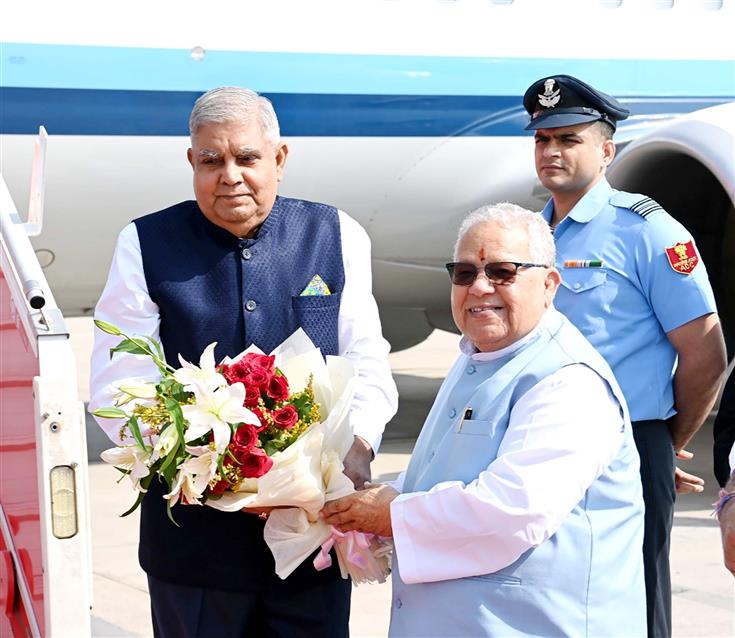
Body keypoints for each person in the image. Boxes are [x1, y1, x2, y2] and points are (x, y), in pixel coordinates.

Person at [89, 86, 398, 638]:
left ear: (279, 159)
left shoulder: (336, 235)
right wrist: (206, 465)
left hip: (312, 539)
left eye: (247, 158)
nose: (229, 175)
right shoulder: (144, 243)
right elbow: (118, 387)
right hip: (194, 549)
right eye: (211, 160)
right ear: (192, 163)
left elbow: (367, 358)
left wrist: (359, 444)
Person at [323, 203, 647, 637]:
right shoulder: (481, 357)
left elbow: (514, 508)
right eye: (464, 273)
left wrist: (392, 514)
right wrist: (367, 498)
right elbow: (448, 472)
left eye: (502, 272)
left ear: (549, 283)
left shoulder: (566, 380)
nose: (479, 287)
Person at [522, 74, 728, 638]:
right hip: (540, 442)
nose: (552, 151)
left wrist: (667, 441)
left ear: (607, 150)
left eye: (569, 139)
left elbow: (705, 352)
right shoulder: (531, 236)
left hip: (630, 441)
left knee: (635, 597)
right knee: (550, 595)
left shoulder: (646, 231)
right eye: (542, 140)